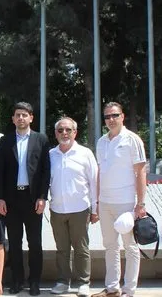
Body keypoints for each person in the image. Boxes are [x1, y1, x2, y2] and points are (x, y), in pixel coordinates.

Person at [0, 101, 50, 295]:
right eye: (17, 115)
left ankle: (34, 281)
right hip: (11, 199)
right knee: (15, 242)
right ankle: (17, 281)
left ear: (31, 118)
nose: (21, 118)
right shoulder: (6, 141)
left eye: (24, 115)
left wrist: (43, 197)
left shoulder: (41, 139)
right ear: (13, 119)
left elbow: (45, 171)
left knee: (35, 242)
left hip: (33, 198)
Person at [93, 102, 146, 297]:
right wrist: (97, 202)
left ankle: (129, 291)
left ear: (122, 116)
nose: (111, 120)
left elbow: (141, 172)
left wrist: (141, 204)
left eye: (114, 115)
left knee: (131, 247)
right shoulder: (101, 142)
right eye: (107, 117)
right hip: (105, 202)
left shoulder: (133, 140)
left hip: (126, 203)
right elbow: (100, 173)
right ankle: (112, 288)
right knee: (110, 247)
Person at [47, 117, 97, 297]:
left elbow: (94, 182)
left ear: (75, 132)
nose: (64, 133)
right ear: (55, 134)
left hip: (80, 209)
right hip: (57, 209)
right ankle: (63, 281)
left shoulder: (85, 153)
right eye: (60, 130)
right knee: (62, 249)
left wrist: (95, 209)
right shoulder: (51, 155)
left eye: (68, 130)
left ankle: (83, 283)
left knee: (81, 248)